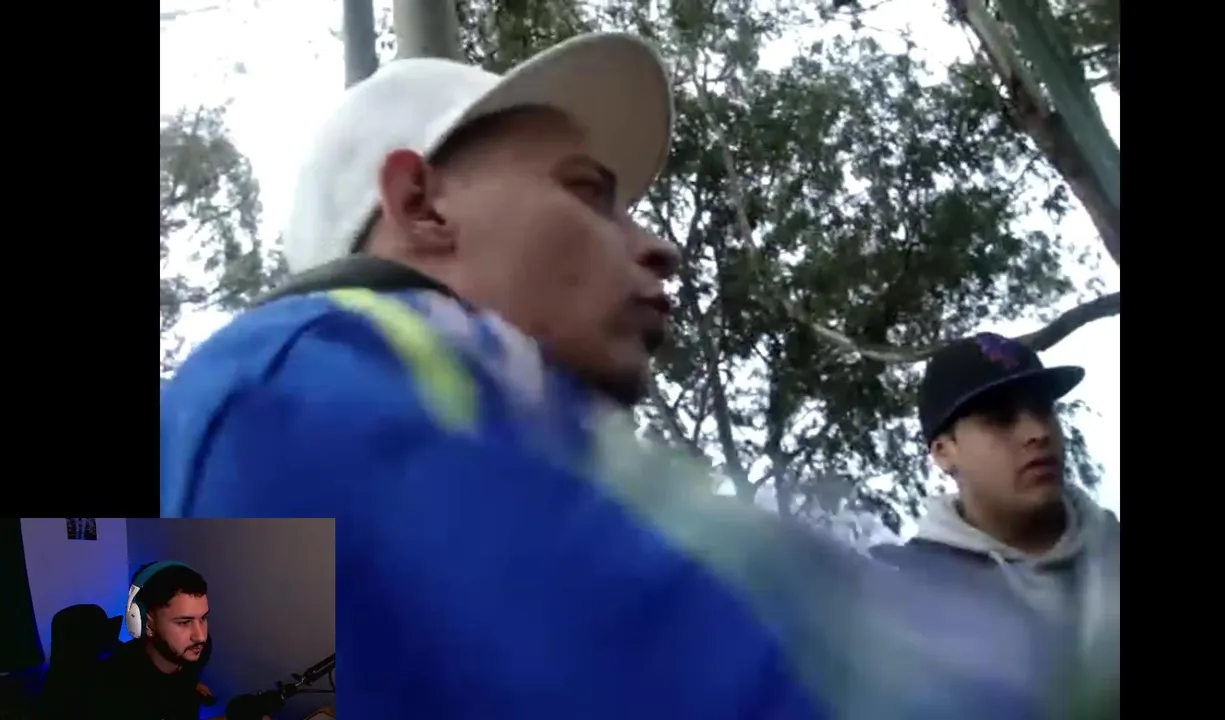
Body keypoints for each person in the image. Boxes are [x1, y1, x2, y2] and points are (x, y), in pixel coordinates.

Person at [159, 32, 1060, 719]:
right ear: (421, 206)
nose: (658, 246)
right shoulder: (270, 399)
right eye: (589, 192)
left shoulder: (265, 402)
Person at [871, 332, 1120, 711]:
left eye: (1044, 410)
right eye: (1000, 419)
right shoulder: (907, 606)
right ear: (944, 452)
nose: (1038, 433)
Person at [85, 561, 211, 720]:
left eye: (203, 618)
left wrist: (192, 685)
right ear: (145, 623)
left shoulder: (196, 651)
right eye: (184, 622)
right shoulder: (112, 688)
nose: (201, 636)